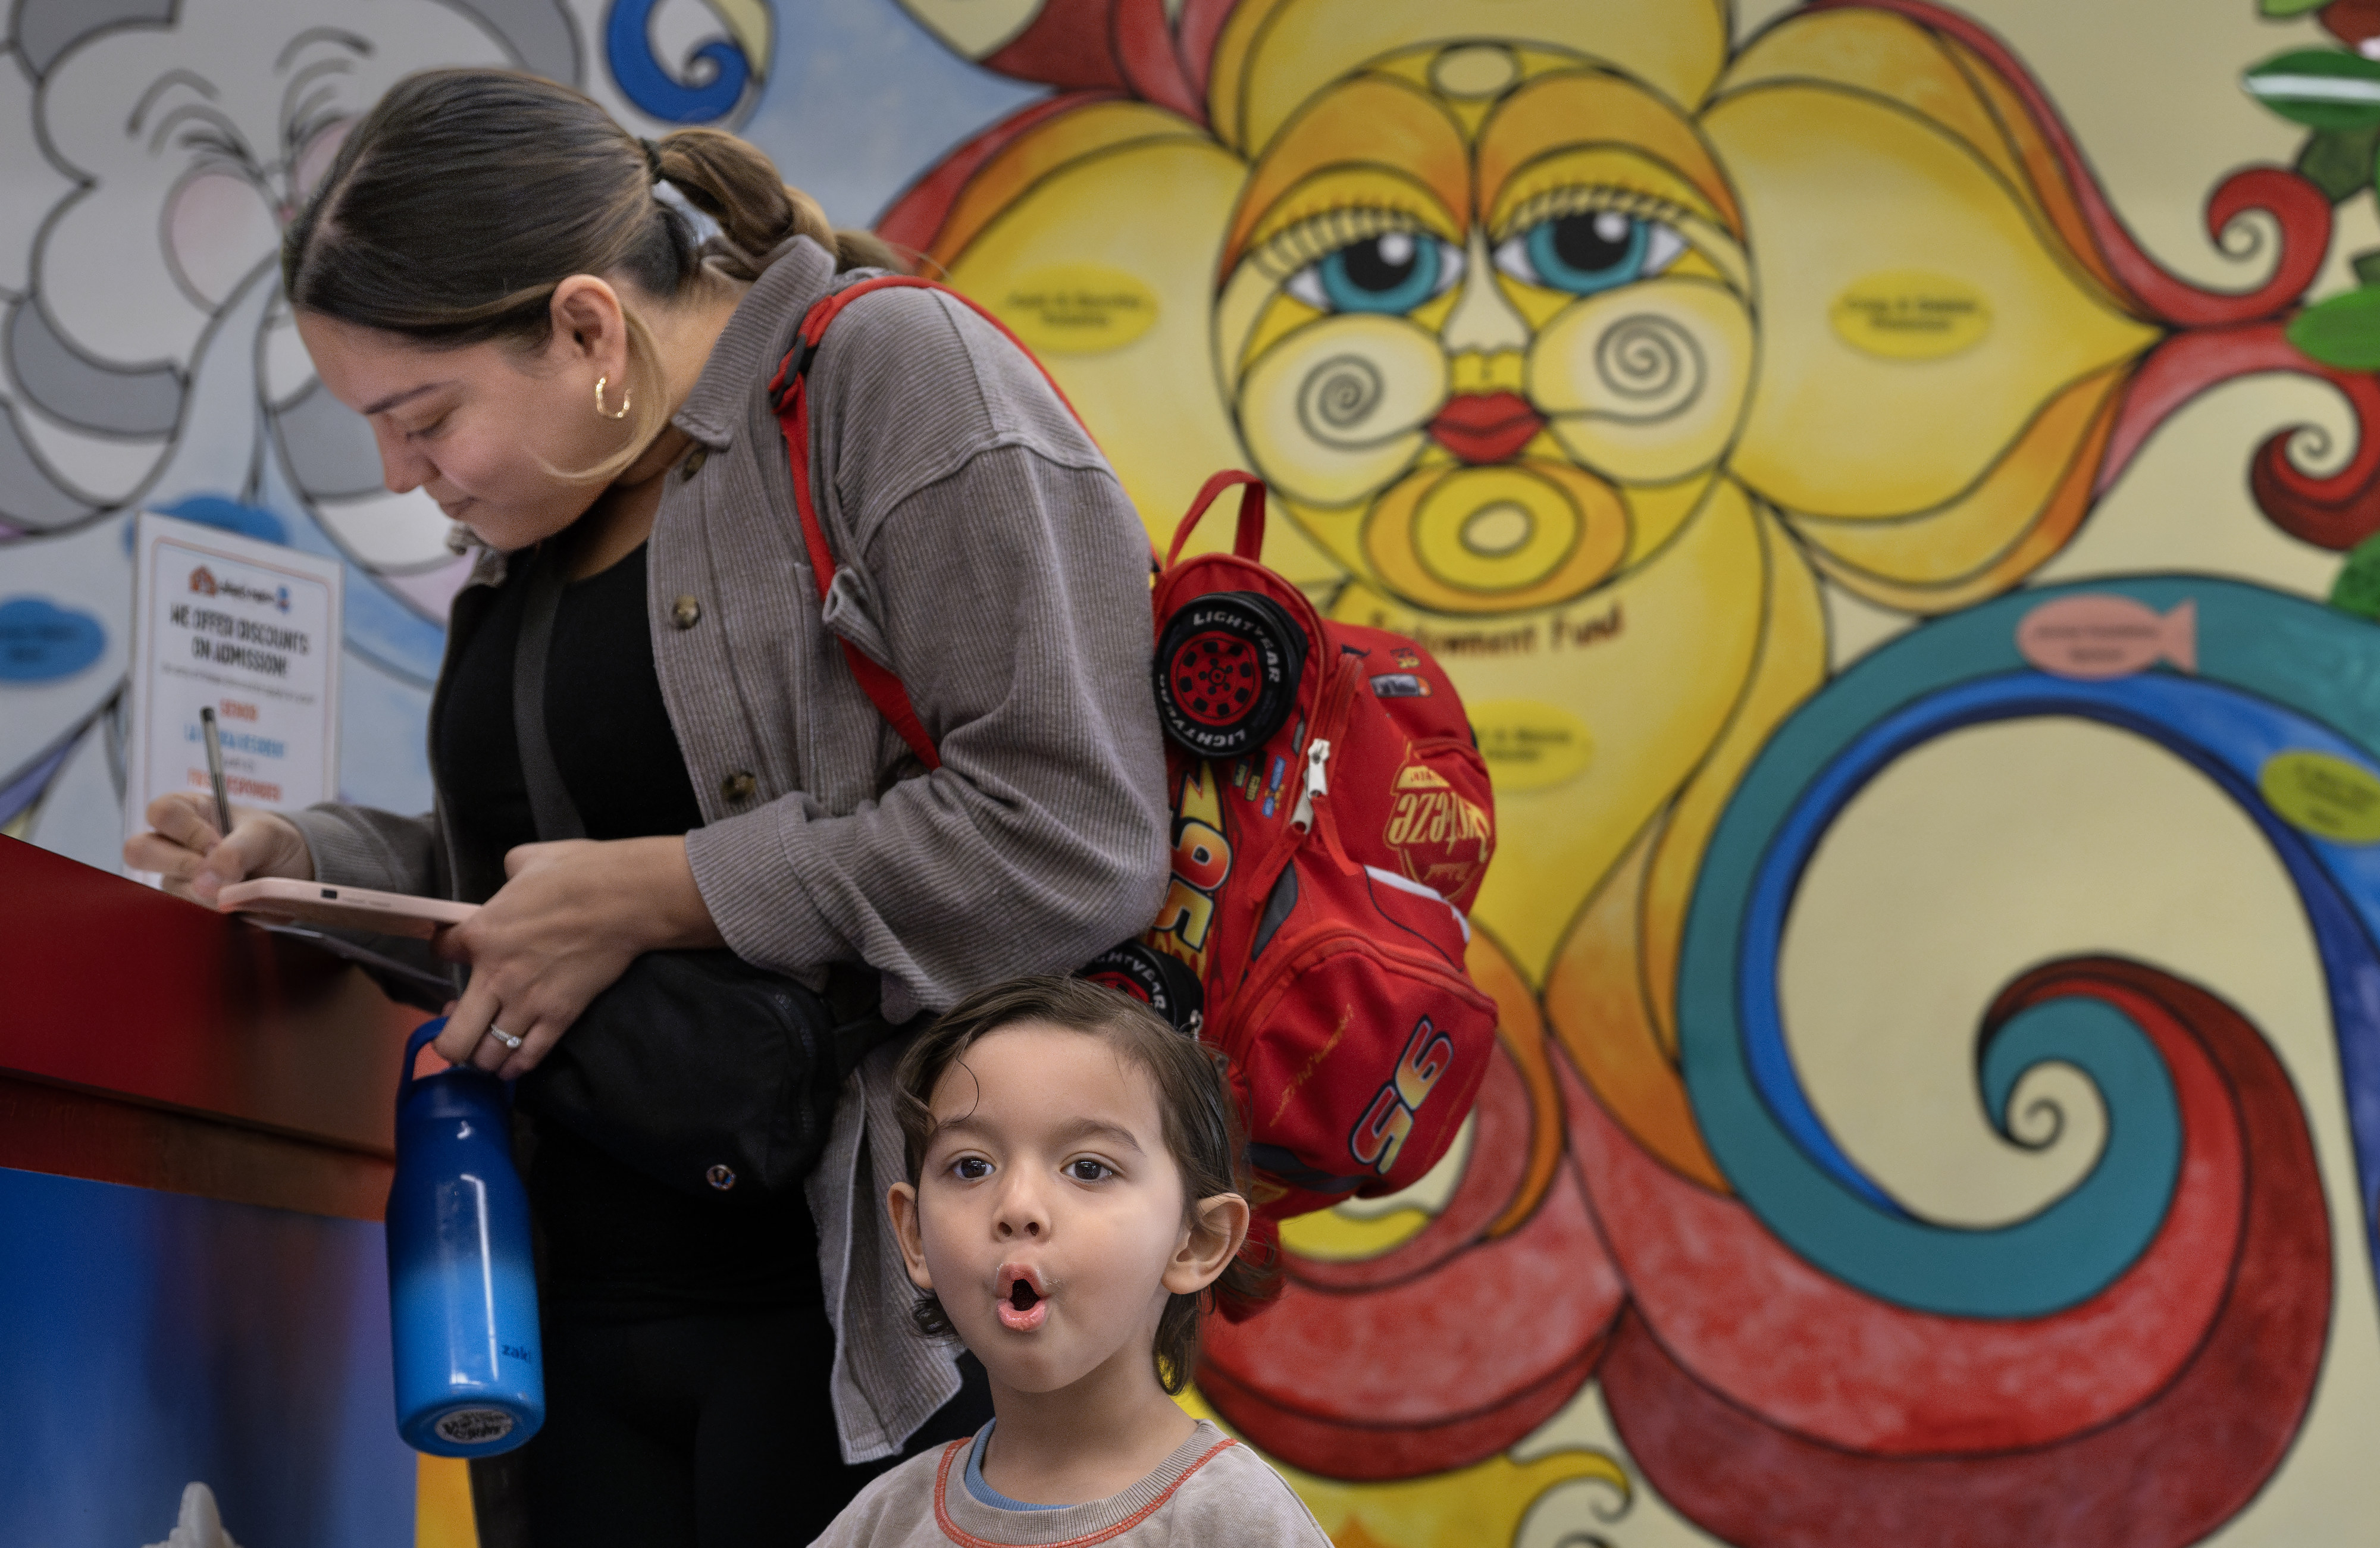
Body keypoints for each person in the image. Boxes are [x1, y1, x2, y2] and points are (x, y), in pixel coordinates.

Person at [123, 68, 1169, 1548]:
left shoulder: (894, 380)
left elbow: (1076, 829)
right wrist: (317, 865)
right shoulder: (543, 513)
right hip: (568, 1313)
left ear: (587, 328)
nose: (399, 473)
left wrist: (666, 886)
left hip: (870, 1316)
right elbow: (539, 879)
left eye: (422, 416)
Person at [812, 974, 1324, 1547]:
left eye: (1088, 1168)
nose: (1018, 1207)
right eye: (972, 1167)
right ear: (914, 1234)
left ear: (1196, 1242)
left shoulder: (1235, 1523)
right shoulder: (885, 1522)